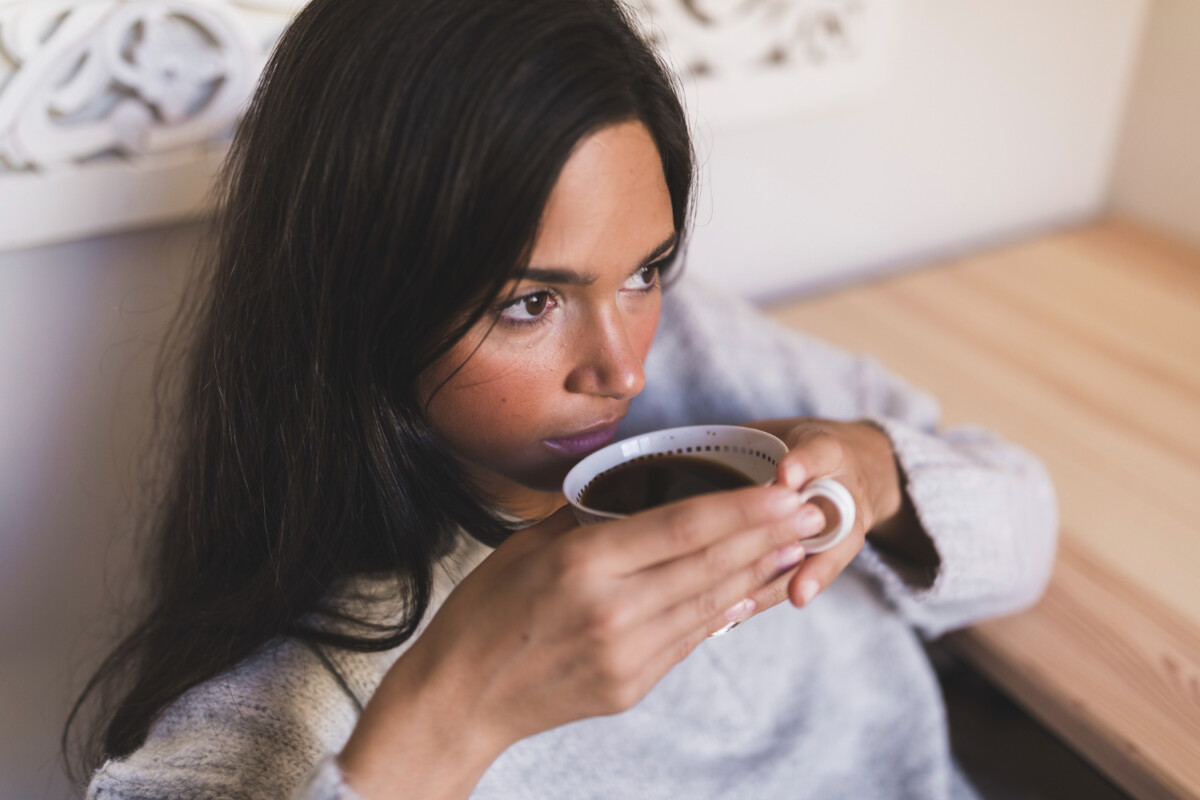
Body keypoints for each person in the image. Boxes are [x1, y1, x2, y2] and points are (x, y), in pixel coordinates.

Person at [65, 0, 1059, 798]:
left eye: (645, 268)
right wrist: (451, 719)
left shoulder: (695, 358)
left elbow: (1023, 524)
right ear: (359, 302)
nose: (622, 367)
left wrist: (875, 472)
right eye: (531, 301)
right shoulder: (278, 700)